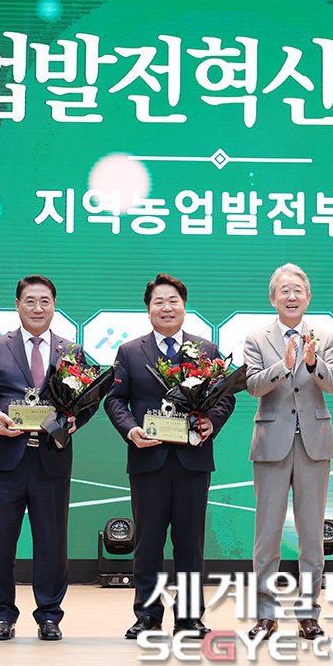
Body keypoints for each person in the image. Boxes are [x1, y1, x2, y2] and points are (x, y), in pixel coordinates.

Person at [103, 274, 236, 639]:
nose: (166, 307)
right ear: (148, 309)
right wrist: (131, 430)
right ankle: (147, 615)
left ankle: (190, 617)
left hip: (193, 459)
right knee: (147, 543)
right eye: (158, 301)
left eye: (173, 300)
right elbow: (115, 400)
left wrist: (211, 422)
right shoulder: (130, 352)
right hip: (148, 459)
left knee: (190, 544)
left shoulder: (206, 350)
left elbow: (226, 397)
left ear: (184, 306)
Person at [0, 275, 98, 641]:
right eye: (30, 301)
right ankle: (1, 616)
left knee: (52, 544)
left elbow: (89, 398)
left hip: (51, 460)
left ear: (54, 306)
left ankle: (49, 616)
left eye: (45, 301)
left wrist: (75, 420)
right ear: (17, 305)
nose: (37, 308)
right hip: (3, 459)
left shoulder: (71, 351)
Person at [242, 264, 333, 641]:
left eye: (298, 290)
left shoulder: (324, 337)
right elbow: (253, 386)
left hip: (314, 443)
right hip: (272, 443)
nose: (291, 296)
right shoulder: (256, 339)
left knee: (312, 536)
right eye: (284, 291)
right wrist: (283, 367)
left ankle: (308, 615)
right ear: (273, 298)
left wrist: (313, 363)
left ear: (308, 297)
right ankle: (266, 615)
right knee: (267, 535)